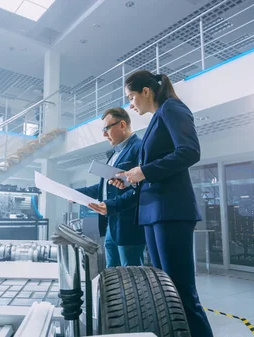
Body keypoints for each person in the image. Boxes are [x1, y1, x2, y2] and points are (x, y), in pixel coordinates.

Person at [87, 70, 214, 337]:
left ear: (146, 91)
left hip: (170, 211)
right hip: (154, 212)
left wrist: (142, 172)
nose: (131, 105)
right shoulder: (158, 117)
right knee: (167, 293)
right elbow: (154, 170)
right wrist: (131, 178)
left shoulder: (172, 109)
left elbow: (190, 151)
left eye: (131, 97)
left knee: (181, 293)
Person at [76, 107, 146, 267]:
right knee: (112, 274)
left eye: (106, 128)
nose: (104, 134)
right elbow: (103, 188)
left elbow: (142, 190)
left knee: (130, 275)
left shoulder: (139, 148)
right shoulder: (114, 154)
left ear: (122, 125)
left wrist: (110, 205)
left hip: (129, 225)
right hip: (111, 224)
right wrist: (75, 194)